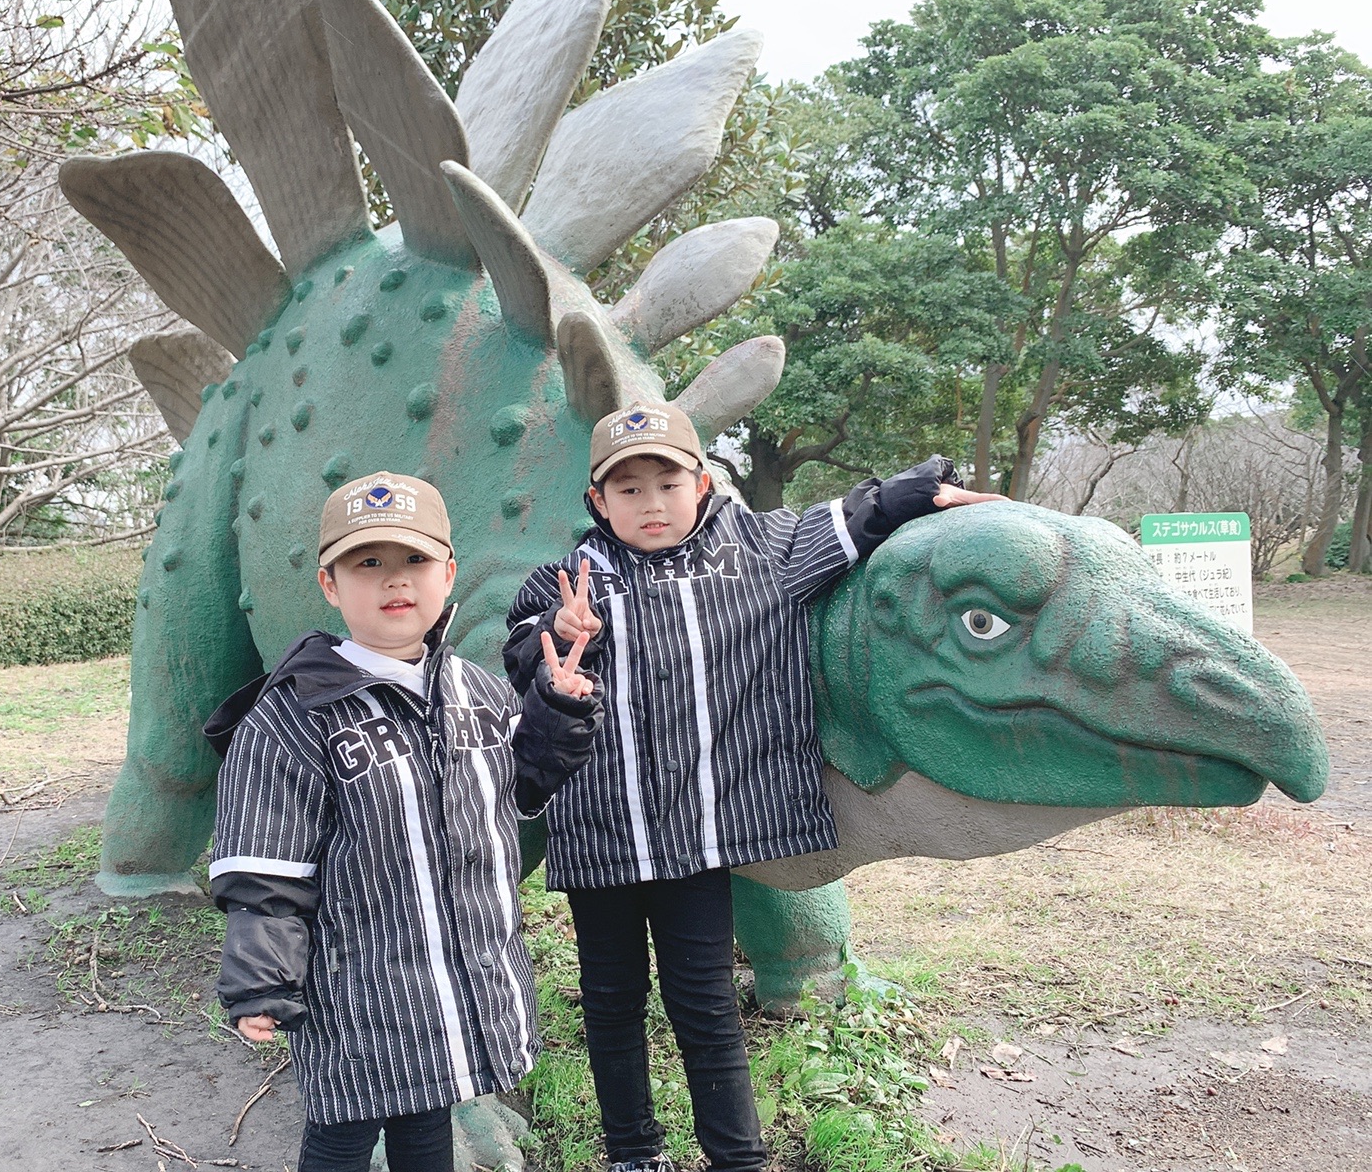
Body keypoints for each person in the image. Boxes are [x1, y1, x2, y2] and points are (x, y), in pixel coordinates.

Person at [503, 405, 1004, 1172]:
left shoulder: (760, 550)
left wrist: (924, 488)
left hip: (701, 839)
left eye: (668, 482)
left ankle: (737, 1157)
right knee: (611, 1006)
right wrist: (564, 641)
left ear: (701, 484)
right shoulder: (564, 580)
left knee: (704, 1006)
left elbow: (854, 517)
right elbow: (524, 659)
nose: (652, 503)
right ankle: (634, 1153)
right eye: (628, 489)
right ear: (599, 502)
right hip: (601, 831)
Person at [205, 470, 603, 1172]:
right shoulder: (294, 715)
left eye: (414, 560)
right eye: (369, 563)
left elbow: (520, 787)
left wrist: (557, 713)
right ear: (331, 584)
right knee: (343, 1134)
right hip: (356, 987)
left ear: (447, 573)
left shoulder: (475, 689)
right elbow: (265, 865)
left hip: (449, 978)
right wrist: (262, 981)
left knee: (428, 1121)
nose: (395, 581)